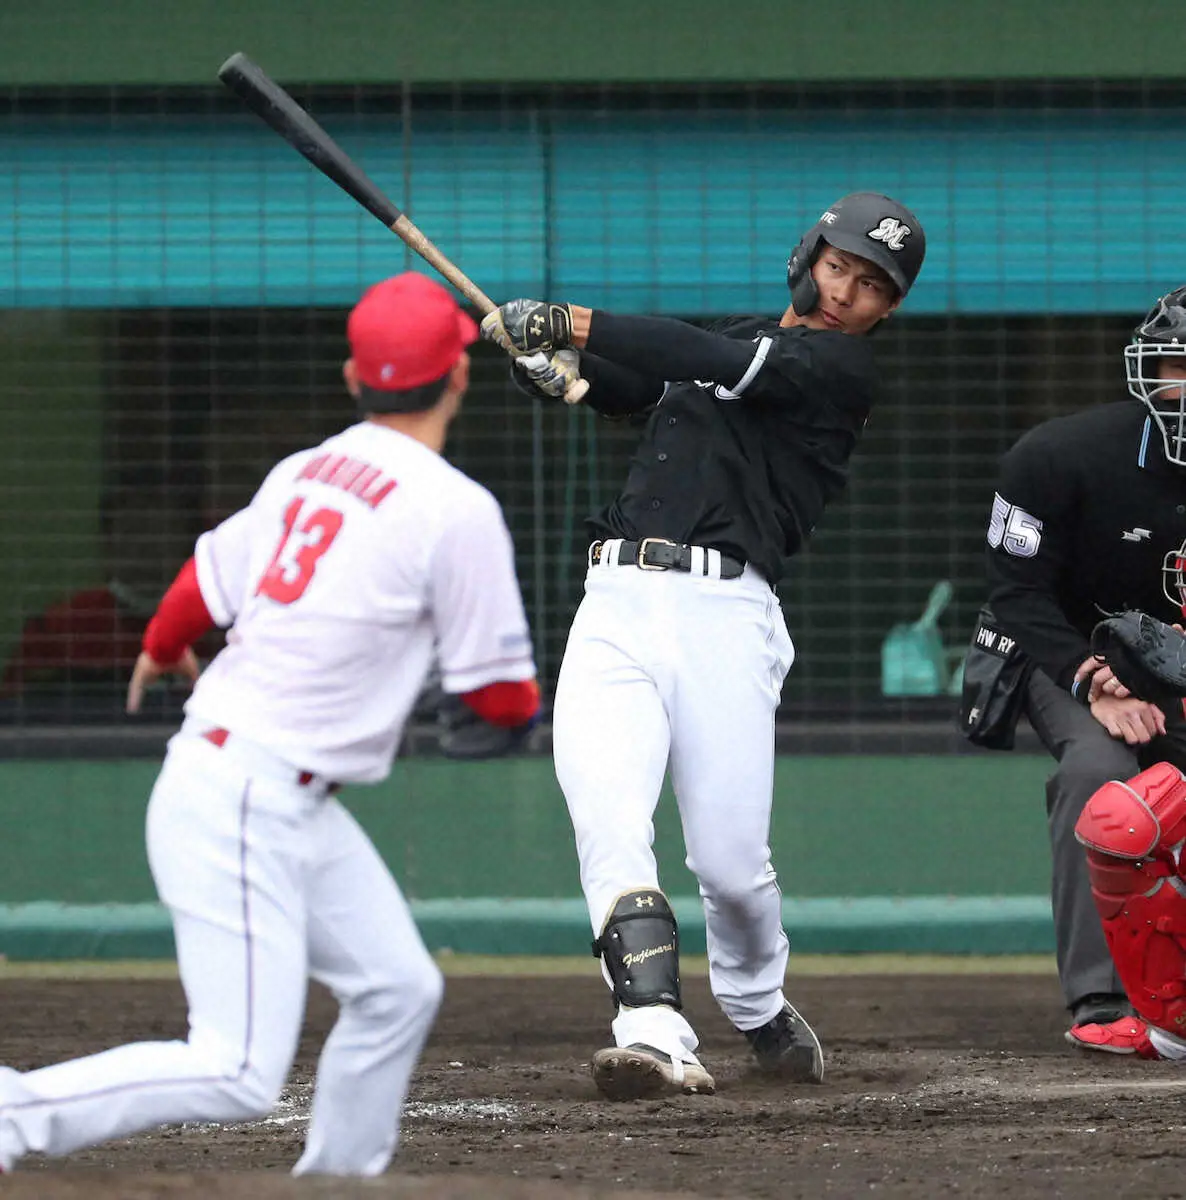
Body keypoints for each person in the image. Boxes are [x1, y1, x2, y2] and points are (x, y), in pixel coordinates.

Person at [0, 272, 540, 1174]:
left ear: (351, 379)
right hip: (245, 796)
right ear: (459, 378)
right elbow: (504, 702)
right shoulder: (457, 509)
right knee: (238, 1069)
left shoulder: (306, 469)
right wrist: (501, 710)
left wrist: (166, 640)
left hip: (267, 791)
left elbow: (200, 586)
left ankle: (338, 1180)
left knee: (398, 987)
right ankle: (12, 1114)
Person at [481, 192, 927, 1099]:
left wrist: (567, 320)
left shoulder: (835, 372)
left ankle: (758, 1004)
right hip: (615, 599)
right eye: (839, 264)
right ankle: (651, 1031)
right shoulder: (745, 340)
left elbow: (704, 358)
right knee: (609, 822)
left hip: (727, 616)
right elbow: (639, 383)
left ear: (888, 309)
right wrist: (562, 368)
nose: (846, 291)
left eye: (872, 285)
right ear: (809, 255)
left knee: (730, 870)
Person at [983, 284, 1186, 1052]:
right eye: (1181, 365)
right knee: (1104, 775)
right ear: (1150, 367)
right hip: (1059, 647)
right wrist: (1092, 679)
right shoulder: (1058, 457)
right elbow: (1017, 596)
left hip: (1179, 664)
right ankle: (1103, 1002)